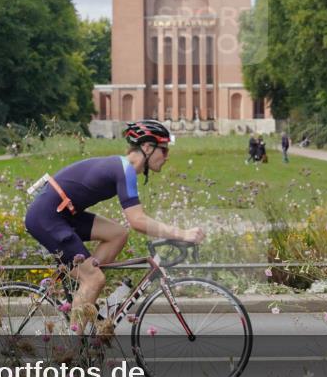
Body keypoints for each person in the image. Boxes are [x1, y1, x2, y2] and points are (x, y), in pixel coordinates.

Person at [24, 120, 205, 334]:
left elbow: (132, 223)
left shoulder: (123, 168)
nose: (167, 157)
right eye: (164, 150)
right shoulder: (125, 169)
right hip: (47, 217)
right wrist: (183, 233)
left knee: (118, 234)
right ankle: (71, 352)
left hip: (61, 213)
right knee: (93, 278)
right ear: (147, 147)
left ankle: (82, 294)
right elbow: (138, 220)